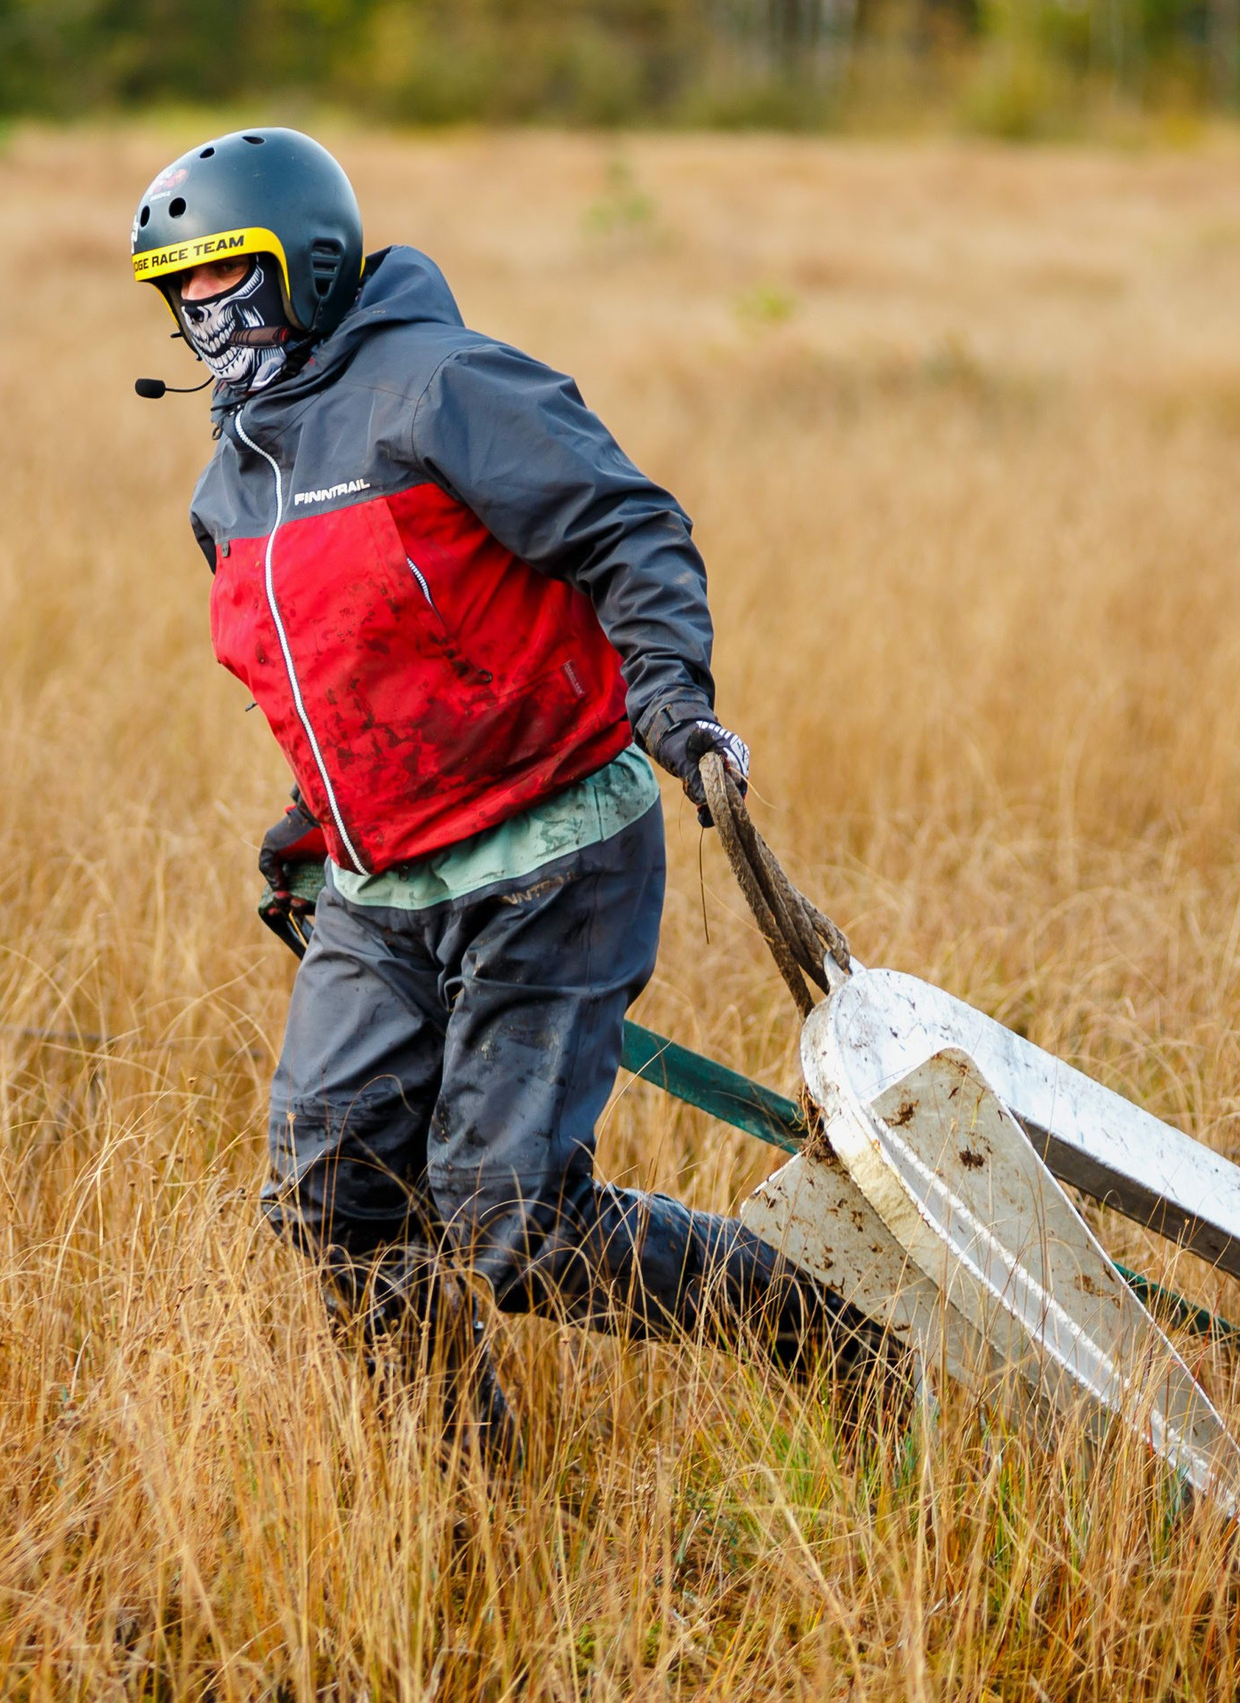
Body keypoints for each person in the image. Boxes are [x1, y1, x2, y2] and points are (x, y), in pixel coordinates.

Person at [130, 128, 885, 1459]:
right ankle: (467, 1500)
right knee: (334, 1206)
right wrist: (318, 830)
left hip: (552, 861)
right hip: (382, 892)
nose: (206, 319)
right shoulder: (229, 483)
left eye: (224, 280)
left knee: (511, 1226)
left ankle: (824, 1333)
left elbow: (624, 523)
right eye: (181, 294)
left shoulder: (441, 386)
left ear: (303, 267)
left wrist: (672, 694)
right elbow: (329, 675)